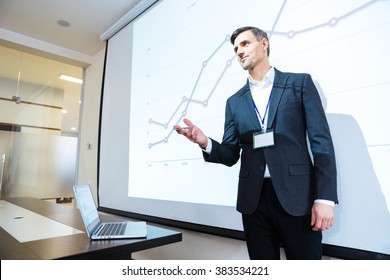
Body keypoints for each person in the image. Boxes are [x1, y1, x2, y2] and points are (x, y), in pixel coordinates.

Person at [174, 26, 338, 260]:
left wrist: (324, 198)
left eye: (245, 43)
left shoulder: (299, 84)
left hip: (298, 198)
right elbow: (230, 154)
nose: (239, 51)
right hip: (254, 203)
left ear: (264, 43)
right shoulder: (234, 102)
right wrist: (205, 143)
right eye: (235, 48)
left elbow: (322, 143)